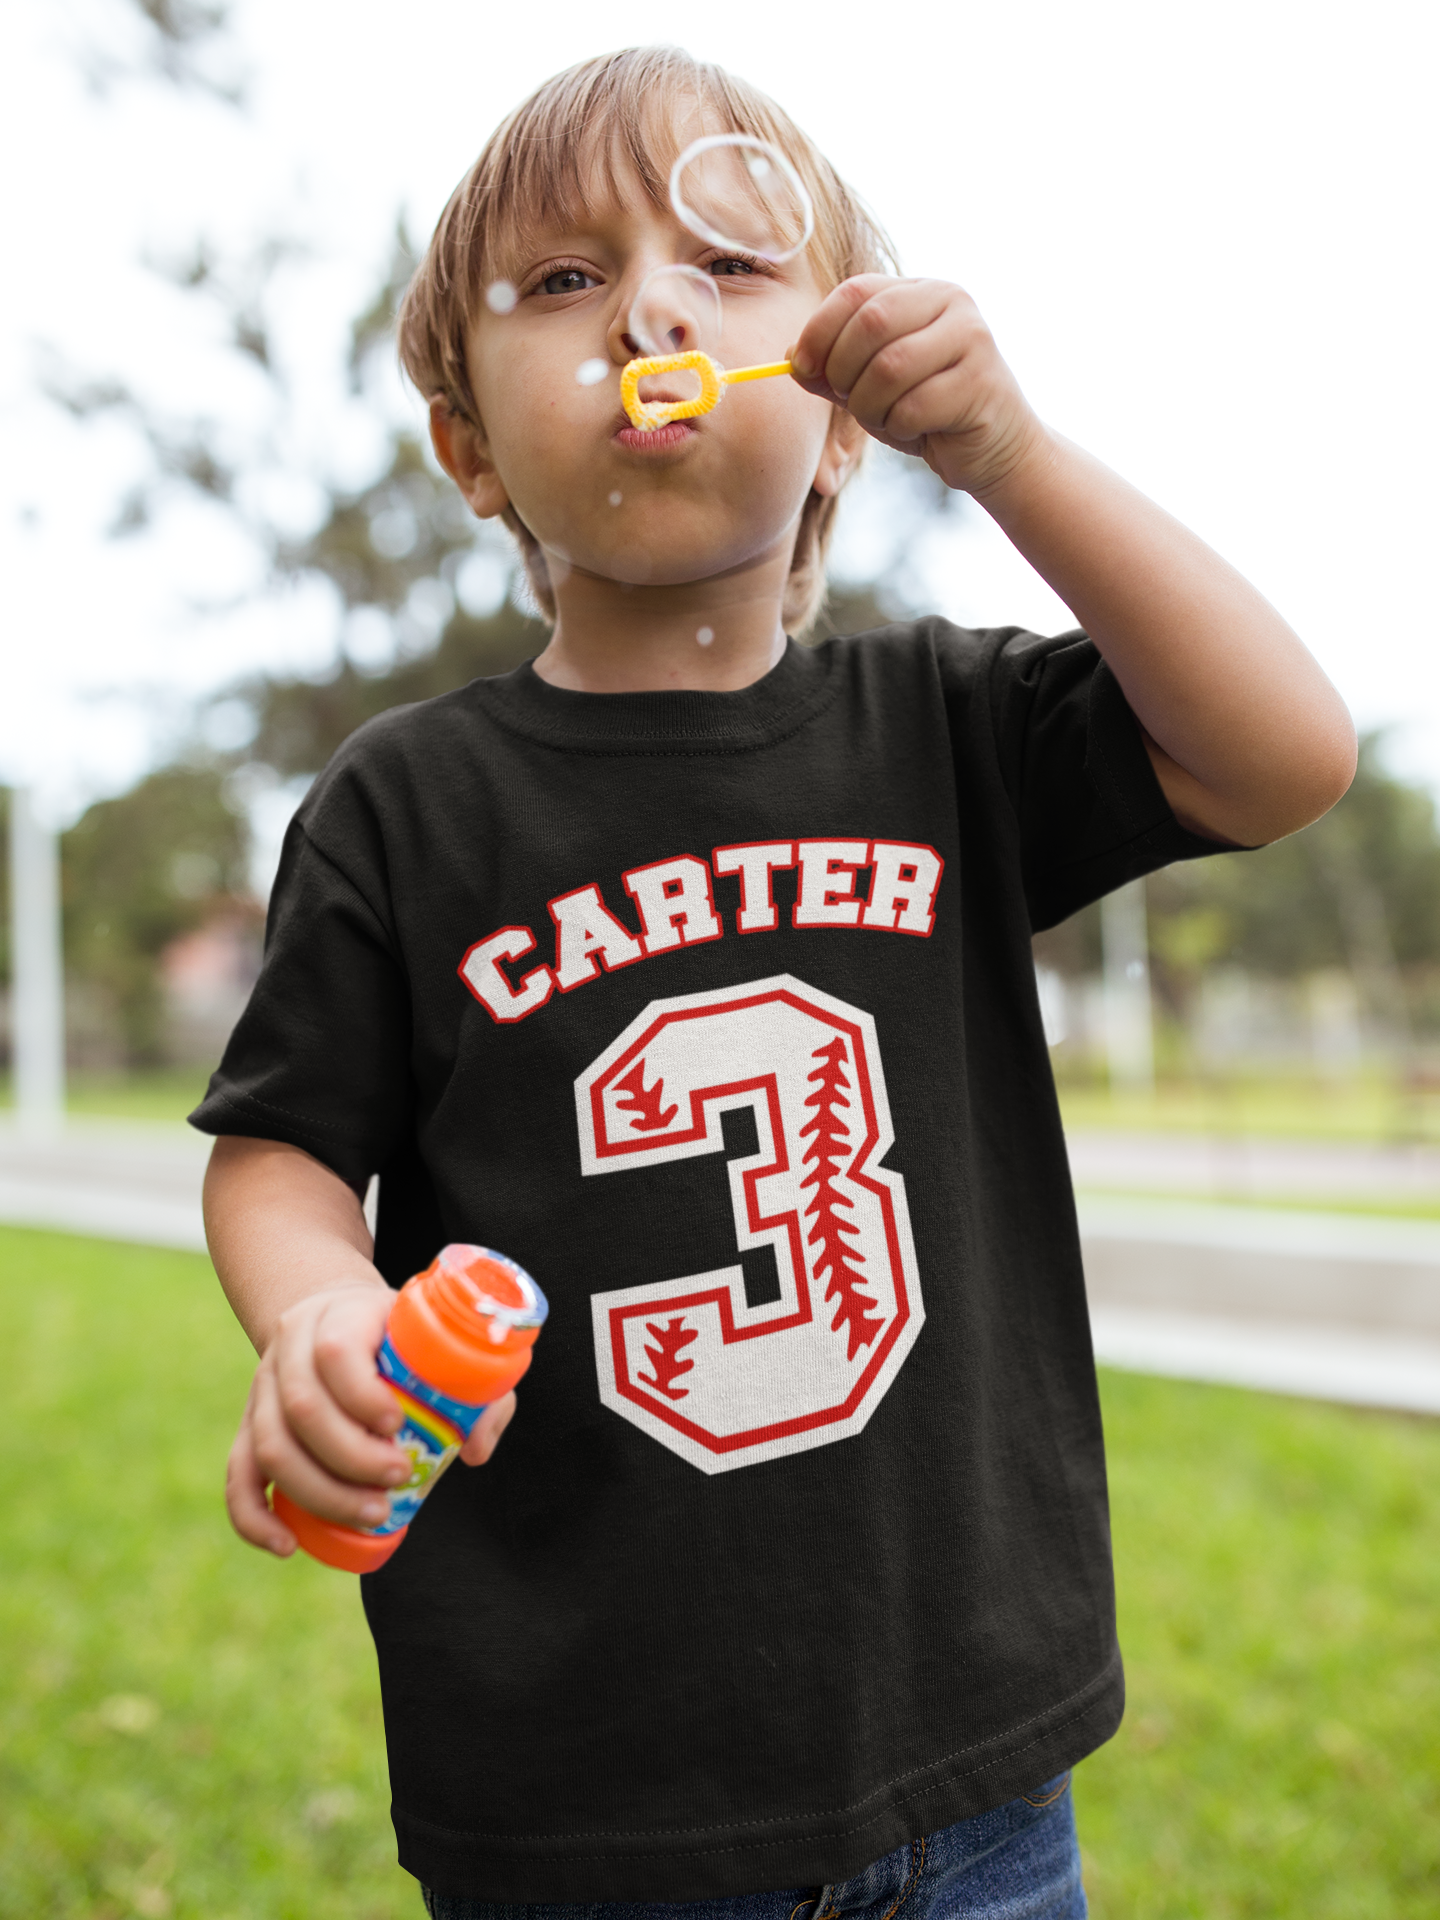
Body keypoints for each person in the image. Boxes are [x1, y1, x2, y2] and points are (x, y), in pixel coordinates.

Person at [194, 46, 1356, 1920]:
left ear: (835, 413)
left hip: (979, 1769)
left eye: (729, 266)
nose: (651, 305)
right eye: (565, 283)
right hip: (588, 1799)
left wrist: (1017, 458)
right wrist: (321, 1312)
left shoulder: (949, 726)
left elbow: (1283, 756)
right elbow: (279, 1150)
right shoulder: (405, 804)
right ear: (470, 446)